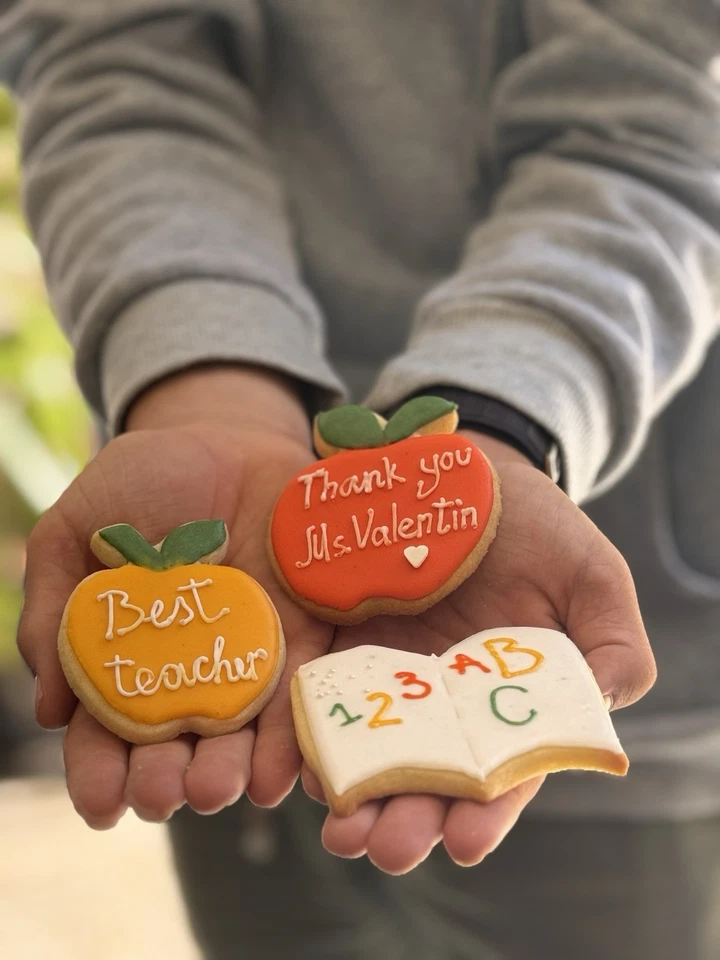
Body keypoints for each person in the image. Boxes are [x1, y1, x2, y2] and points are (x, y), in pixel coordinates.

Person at [5, 1, 720, 957]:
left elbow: (651, 119)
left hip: (560, 579)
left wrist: (493, 417)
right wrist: (201, 384)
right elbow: (111, 60)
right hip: (216, 568)